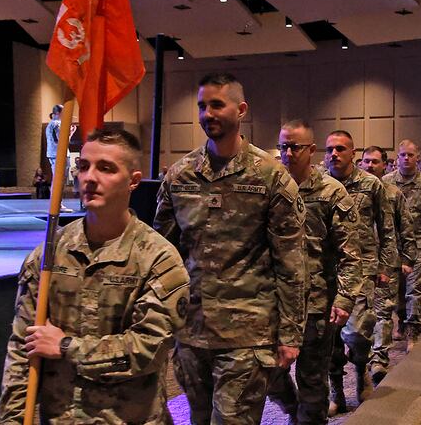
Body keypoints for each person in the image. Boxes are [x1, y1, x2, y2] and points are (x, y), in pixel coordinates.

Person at [0, 130, 190, 424]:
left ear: (133, 181)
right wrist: (11, 419)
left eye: (106, 168)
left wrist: (66, 347)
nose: (89, 178)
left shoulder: (158, 259)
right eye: (84, 166)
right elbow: (23, 347)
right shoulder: (50, 254)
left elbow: (147, 350)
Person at [154, 73, 307, 424]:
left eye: (217, 105)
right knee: (199, 418)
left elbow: (291, 262)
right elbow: (163, 254)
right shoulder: (180, 175)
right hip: (192, 331)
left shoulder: (270, 177)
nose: (207, 113)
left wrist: (290, 334)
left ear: (241, 110)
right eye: (202, 106)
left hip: (248, 334)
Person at [267, 120, 362, 424]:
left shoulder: (330, 192)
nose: (288, 153)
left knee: (312, 382)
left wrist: (345, 298)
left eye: (295, 147)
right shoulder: (269, 187)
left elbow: (351, 252)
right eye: (283, 146)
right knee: (268, 372)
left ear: (311, 150)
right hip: (274, 302)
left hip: (317, 305)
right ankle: (293, 410)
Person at [324, 130, 397, 416]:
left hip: (362, 268)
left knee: (357, 332)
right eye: (330, 149)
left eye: (341, 149)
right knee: (329, 336)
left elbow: (387, 229)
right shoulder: (318, 183)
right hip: (326, 270)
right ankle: (336, 391)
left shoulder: (370, 184)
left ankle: (361, 369)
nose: (334, 154)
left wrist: (385, 267)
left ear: (352, 153)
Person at [360, 145, 416, 384]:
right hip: (358, 265)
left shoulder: (393, 193)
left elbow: (406, 228)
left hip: (386, 263)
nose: (370, 166)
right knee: (361, 315)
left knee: (383, 312)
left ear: (385, 165)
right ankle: (361, 358)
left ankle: (379, 360)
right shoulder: (351, 192)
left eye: (375, 162)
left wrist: (407, 259)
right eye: (366, 161)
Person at [382, 140, 421, 352]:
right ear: (397, 158)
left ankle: (413, 331)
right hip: (394, 245)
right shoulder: (386, 181)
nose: (406, 158)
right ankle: (400, 321)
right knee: (397, 290)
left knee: (415, 291)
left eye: (410, 155)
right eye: (402, 155)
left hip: (420, 244)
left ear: (417, 158)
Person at [45, 104, 74, 212]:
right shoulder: (57, 124)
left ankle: (56, 204)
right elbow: (62, 141)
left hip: (53, 154)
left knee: (57, 179)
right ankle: (57, 204)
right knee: (59, 180)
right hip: (59, 154)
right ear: (58, 113)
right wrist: (71, 133)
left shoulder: (50, 124)